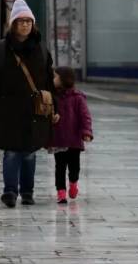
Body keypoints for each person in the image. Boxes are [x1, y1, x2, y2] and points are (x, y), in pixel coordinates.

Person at [0, 0, 57, 208]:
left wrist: (56, 109)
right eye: (20, 21)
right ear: (13, 24)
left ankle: (27, 192)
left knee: (29, 153)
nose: (25, 25)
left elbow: (50, 84)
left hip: (34, 111)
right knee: (12, 152)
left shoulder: (42, 51)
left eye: (28, 21)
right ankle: (9, 191)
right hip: (8, 110)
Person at [50, 66, 93, 204]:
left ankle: (73, 183)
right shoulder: (52, 96)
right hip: (59, 139)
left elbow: (85, 116)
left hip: (74, 140)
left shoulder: (78, 97)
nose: (53, 79)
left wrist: (86, 132)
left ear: (64, 79)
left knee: (74, 167)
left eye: (55, 76)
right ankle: (61, 192)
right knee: (60, 167)